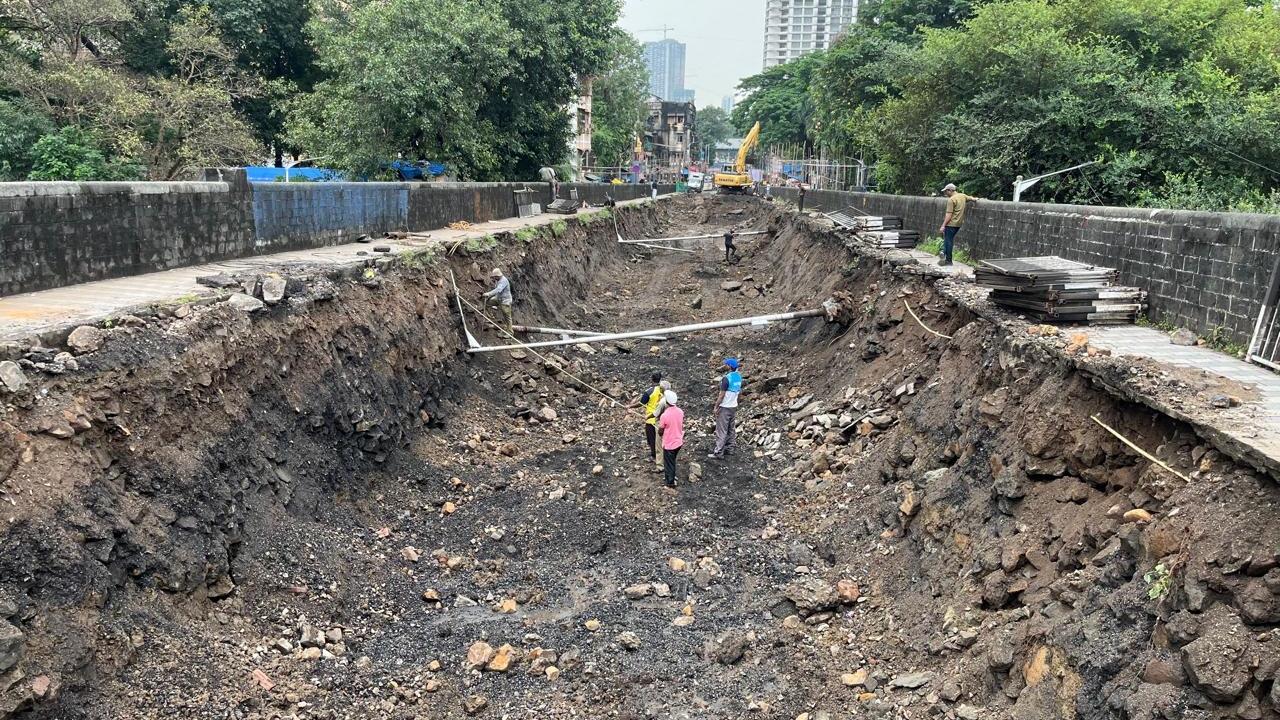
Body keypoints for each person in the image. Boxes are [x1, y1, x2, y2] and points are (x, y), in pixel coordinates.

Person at [708, 358, 743, 459]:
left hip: (725, 407)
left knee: (721, 430)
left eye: (726, 364)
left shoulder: (726, 378)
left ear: (729, 366)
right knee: (731, 429)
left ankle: (718, 452)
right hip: (733, 406)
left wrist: (716, 406)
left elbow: (721, 395)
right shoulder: (739, 377)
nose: (725, 366)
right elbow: (739, 392)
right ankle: (730, 448)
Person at [635, 374, 668, 473]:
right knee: (661, 440)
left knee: (652, 440)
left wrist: (629, 406)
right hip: (663, 419)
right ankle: (662, 457)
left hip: (651, 419)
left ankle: (656, 458)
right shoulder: (664, 390)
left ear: (651, 379)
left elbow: (641, 403)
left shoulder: (649, 391)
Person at [937, 183, 972, 266]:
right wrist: (976, 199)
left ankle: (948, 260)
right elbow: (970, 198)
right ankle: (943, 252)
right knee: (948, 239)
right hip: (958, 224)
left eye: (946, 191)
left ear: (950, 190)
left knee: (948, 241)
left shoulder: (951, 200)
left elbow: (948, 215)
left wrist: (943, 225)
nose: (945, 193)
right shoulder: (962, 196)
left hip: (951, 223)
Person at [657, 390, 684, 488]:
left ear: (667, 402)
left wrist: (660, 432)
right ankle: (670, 476)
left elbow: (660, 431)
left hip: (669, 444)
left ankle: (670, 482)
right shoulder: (680, 412)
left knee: (669, 463)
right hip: (678, 441)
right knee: (672, 460)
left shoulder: (664, 415)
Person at [482, 268, 513, 334]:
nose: (494, 278)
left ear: (498, 276)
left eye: (494, 277)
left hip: (505, 301)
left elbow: (498, 289)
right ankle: (490, 317)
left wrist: (488, 294)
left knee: (507, 317)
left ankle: (510, 332)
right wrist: (489, 296)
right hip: (498, 298)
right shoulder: (498, 280)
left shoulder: (503, 281)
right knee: (488, 303)